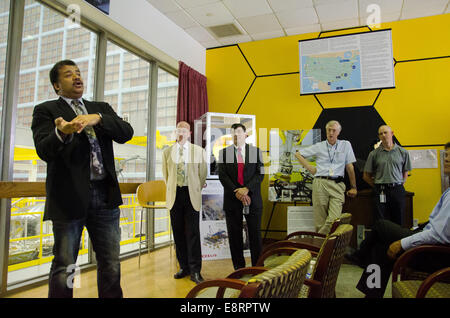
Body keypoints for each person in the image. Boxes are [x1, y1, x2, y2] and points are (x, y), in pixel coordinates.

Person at [31, 60, 133, 298]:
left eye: (78, 73)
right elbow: (43, 150)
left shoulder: (100, 107)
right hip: (69, 197)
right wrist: (62, 133)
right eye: (68, 75)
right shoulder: (46, 110)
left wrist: (98, 118)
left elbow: (126, 132)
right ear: (57, 86)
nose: (77, 77)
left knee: (110, 261)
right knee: (66, 264)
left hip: (105, 196)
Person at [348, 142, 450, 298]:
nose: (446, 159)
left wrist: (402, 243)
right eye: (446, 155)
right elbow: (436, 225)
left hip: (435, 254)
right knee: (382, 242)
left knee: (381, 227)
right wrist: (415, 232)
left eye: (449, 156)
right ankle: (371, 290)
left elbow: (438, 235)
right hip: (432, 244)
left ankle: (361, 257)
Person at [162, 121, 207, 284]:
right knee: (178, 232)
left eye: (184, 130)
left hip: (191, 194)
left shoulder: (199, 151)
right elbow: (166, 175)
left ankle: (195, 271)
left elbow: (202, 175)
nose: (181, 132)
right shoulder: (167, 152)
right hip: (175, 195)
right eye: (178, 130)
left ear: (189, 133)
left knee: (193, 233)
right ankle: (184, 267)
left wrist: (195, 187)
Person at [295, 120, 357, 234]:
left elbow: (350, 167)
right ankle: (322, 249)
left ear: (339, 132)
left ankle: (318, 241)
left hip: (337, 184)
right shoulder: (319, 146)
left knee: (334, 220)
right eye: (329, 130)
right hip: (320, 183)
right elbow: (298, 154)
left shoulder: (345, 145)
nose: (331, 133)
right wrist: (310, 168)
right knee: (320, 221)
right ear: (326, 131)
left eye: (334, 130)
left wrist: (354, 187)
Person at [218, 123, 264, 270]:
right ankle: (239, 268)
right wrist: (237, 191)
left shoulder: (256, 152)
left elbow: (260, 173)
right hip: (232, 199)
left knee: (255, 234)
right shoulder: (224, 153)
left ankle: (257, 268)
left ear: (246, 135)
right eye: (233, 133)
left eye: (239, 132)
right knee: (234, 235)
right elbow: (223, 176)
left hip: (253, 198)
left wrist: (247, 189)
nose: (236, 135)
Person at [363, 125, 412, 225]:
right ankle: (382, 241)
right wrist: (377, 185)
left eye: (385, 132)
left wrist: (399, 183)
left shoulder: (403, 152)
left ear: (392, 133)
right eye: (381, 134)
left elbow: (405, 172)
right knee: (380, 221)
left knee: (399, 219)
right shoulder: (373, 154)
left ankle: (397, 240)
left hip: (397, 189)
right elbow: (366, 176)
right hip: (380, 190)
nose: (383, 135)